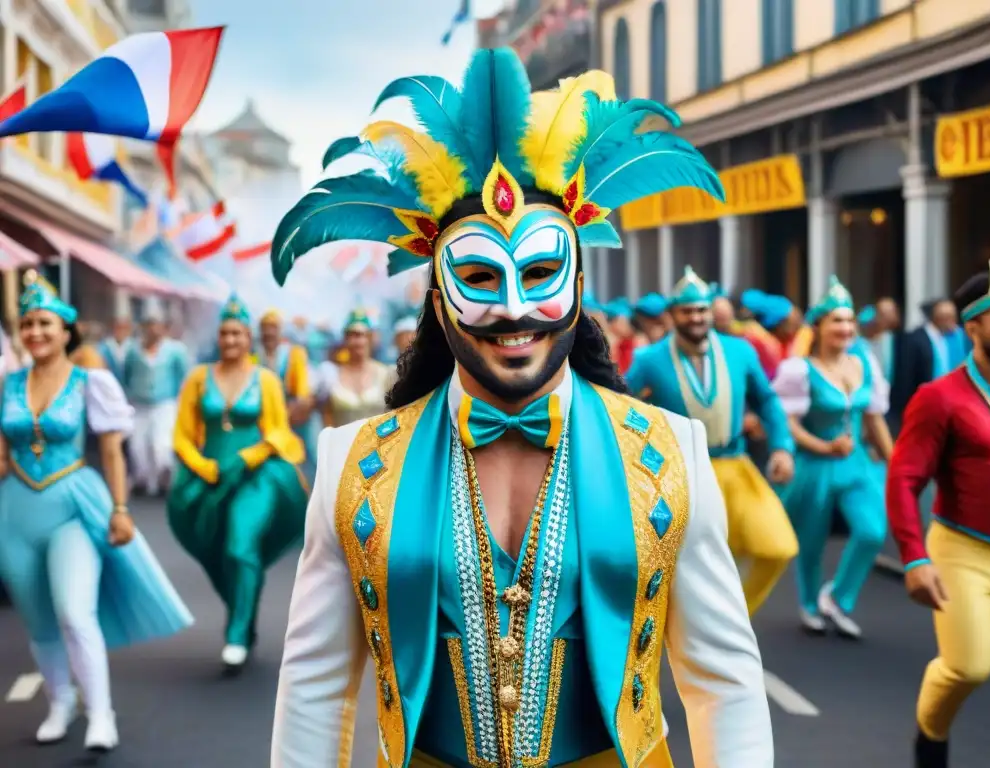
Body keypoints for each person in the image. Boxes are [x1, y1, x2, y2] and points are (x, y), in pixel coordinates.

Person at [269, 48, 771, 767]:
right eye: (479, 276)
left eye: (539, 273)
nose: (513, 307)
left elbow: (722, 680)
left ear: (578, 282)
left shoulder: (669, 452)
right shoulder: (353, 465)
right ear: (438, 300)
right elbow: (315, 688)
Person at [0, 273, 191, 751]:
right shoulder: (8, 382)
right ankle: (60, 703)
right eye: (26, 324)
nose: (35, 332)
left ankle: (100, 713)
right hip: (15, 511)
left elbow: (111, 452)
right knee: (38, 617)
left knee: (73, 612)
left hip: (72, 504)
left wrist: (121, 509)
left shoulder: (91, 380)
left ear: (66, 331)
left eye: (44, 323)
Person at [887, 261, 990, 768]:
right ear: (973, 328)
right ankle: (931, 732)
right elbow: (904, 480)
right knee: (969, 667)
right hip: (964, 551)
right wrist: (914, 558)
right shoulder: (939, 398)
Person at [625, 266, 797, 615]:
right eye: (687, 310)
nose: (696, 317)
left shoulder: (740, 351)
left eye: (702, 309)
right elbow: (621, 406)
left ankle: (731, 615)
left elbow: (767, 400)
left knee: (777, 545)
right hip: (679, 473)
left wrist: (782, 447)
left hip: (735, 464)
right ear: (673, 315)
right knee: (683, 565)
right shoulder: (649, 359)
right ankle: (681, 627)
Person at [167, 295, 307, 671]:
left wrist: (250, 456)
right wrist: (203, 466)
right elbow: (181, 435)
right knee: (216, 553)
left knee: (240, 547)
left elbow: (278, 431)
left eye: (237, 333)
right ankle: (242, 615)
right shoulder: (199, 378)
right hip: (209, 478)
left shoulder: (265, 380)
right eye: (224, 333)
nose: (230, 340)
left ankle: (237, 633)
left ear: (249, 337)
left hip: (253, 477)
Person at [773, 276, 893, 639]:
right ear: (819, 327)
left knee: (872, 530)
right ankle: (809, 603)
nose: (844, 328)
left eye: (849, 321)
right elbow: (787, 422)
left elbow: (874, 419)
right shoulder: (800, 370)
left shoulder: (864, 364)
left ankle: (838, 597)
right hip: (815, 466)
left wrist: (899, 464)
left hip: (856, 465)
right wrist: (822, 446)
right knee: (810, 542)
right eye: (836, 321)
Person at [122, 302, 190, 496]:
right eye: (148, 324)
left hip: (165, 403)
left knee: (162, 445)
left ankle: (165, 480)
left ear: (163, 327)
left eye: (156, 324)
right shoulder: (133, 350)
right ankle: (142, 480)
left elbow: (183, 376)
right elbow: (126, 375)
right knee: (137, 447)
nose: (152, 329)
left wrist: (181, 402)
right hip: (139, 403)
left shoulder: (175, 350)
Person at [890, 298, 969, 432]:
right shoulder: (915, 339)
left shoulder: (959, 337)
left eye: (953, 316)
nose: (952, 322)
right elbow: (905, 377)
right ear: (936, 318)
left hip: (956, 405)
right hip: (926, 405)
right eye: (946, 317)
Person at [257, 309, 317, 465]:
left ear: (280, 330)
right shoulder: (253, 355)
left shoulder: (294, 354)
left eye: (273, 327)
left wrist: (283, 416)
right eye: (265, 327)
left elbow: (302, 393)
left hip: (291, 418)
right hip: (261, 421)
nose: (269, 332)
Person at [317, 309, 394, 428]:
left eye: (362, 335)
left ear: (370, 338)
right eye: (351, 336)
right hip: (343, 444)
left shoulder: (386, 374)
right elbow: (326, 416)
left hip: (380, 444)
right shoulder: (331, 375)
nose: (358, 341)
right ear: (345, 340)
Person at [98, 315, 134, 388]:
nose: (121, 331)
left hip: (130, 390)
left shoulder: (134, 347)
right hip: (109, 387)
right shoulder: (103, 347)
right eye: (118, 328)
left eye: (124, 328)